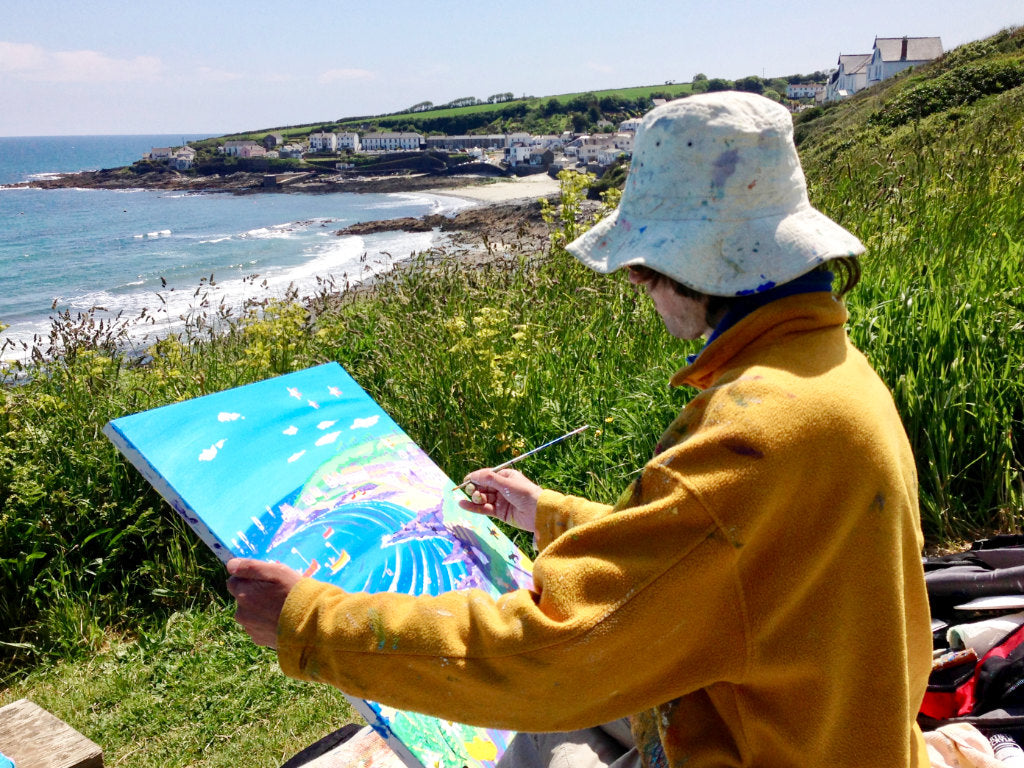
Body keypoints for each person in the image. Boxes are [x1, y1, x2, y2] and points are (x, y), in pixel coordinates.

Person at [228, 91, 932, 767]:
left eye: (641, 269)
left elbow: (550, 657)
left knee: (539, 741)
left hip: (759, 747)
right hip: (826, 728)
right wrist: (551, 513)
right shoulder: (831, 372)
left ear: (687, 266)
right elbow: (729, 554)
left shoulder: (756, 435)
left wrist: (309, 623)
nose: (636, 285)